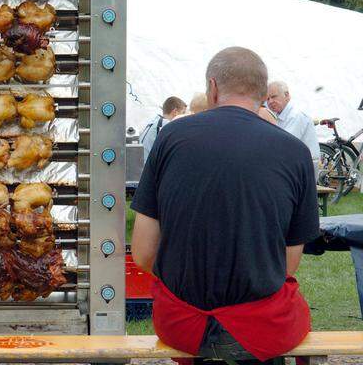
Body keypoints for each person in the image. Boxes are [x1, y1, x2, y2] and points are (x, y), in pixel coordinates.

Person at [131, 47, 318, 364]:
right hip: (264, 326)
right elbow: (288, 265)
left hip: (182, 324)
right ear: (262, 94)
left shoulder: (169, 139)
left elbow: (143, 253)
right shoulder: (296, 152)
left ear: (213, 88)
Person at [267, 81, 320, 174]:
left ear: (286, 95)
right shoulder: (278, 115)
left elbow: (284, 145)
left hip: (303, 168)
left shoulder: (296, 116)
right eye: (267, 99)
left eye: (274, 97)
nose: (270, 101)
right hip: (292, 164)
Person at [139, 96, 187, 162]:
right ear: (175, 111)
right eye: (183, 113)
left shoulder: (154, 122)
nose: (184, 117)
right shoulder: (166, 125)